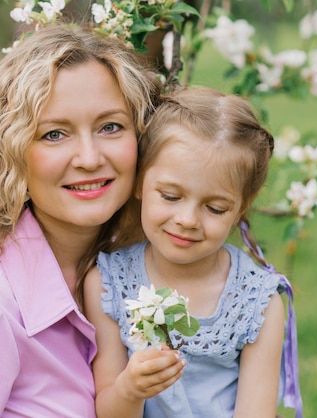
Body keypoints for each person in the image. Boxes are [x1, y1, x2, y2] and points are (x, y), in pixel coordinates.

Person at [0, 24, 162, 417]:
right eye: (55, 134)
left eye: (110, 127)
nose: (89, 158)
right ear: (11, 154)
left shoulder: (141, 278)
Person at [84, 86, 303, 418]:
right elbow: (107, 410)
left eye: (214, 208)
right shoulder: (108, 282)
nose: (187, 220)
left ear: (240, 209)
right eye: (171, 196)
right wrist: (130, 388)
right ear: (141, 182)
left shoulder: (258, 301)